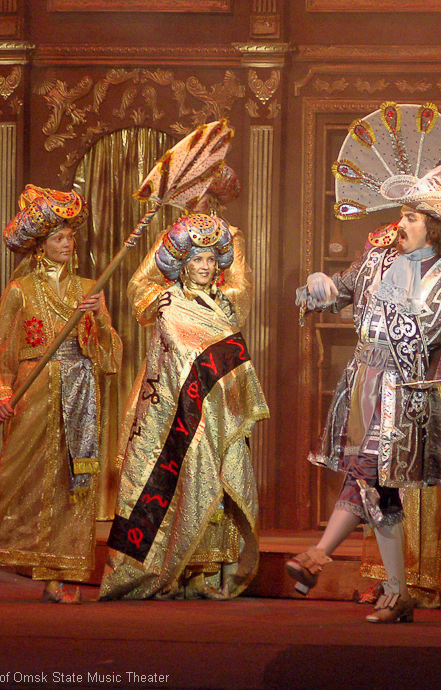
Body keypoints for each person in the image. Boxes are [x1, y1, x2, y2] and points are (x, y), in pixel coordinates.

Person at [290, 162, 441, 623]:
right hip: (362, 390)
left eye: (412, 218)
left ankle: (317, 555)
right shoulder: (374, 263)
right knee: (382, 495)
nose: (401, 224)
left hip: (407, 401)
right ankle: (399, 593)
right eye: (403, 215)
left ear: (435, 230)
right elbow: (331, 294)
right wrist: (315, 286)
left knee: (367, 472)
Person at [0, 185, 123, 604]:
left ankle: (55, 578)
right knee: (10, 480)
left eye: (70, 237)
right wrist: (1, 393)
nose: (67, 244)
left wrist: (100, 321)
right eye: (58, 237)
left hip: (80, 392)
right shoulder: (21, 290)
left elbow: (110, 358)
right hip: (35, 390)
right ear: (39, 245)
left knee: (71, 483)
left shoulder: (90, 288)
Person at [99, 201, 269, 601]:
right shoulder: (169, 300)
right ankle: (167, 569)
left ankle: (205, 571)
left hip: (218, 408)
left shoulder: (225, 301)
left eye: (211, 259)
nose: (205, 266)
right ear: (183, 264)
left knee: (216, 480)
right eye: (197, 260)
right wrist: (150, 300)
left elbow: (240, 291)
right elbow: (142, 294)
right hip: (173, 411)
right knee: (179, 476)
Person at [358, 326, 441, 610]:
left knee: (426, 499)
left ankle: (422, 580)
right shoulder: (393, 309)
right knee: (388, 487)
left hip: (435, 401)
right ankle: (389, 578)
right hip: (393, 397)